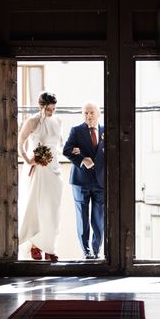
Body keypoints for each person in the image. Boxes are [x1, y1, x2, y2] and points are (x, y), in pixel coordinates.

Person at [18, 92, 63, 262]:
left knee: (52, 207)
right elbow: (20, 143)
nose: (51, 112)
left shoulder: (58, 121)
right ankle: (34, 244)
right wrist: (28, 159)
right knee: (35, 205)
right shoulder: (32, 121)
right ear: (41, 106)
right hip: (36, 169)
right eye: (48, 109)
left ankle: (49, 247)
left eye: (53, 109)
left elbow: (58, 145)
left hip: (53, 168)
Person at [63, 101, 105, 259]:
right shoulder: (76, 130)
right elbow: (66, 150)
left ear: (98, 113)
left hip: (100, 182)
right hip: (80, 181)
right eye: (85, 113)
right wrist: (82, 159)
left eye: (91, 112)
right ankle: (86, 250)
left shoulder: (105, 130)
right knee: (82, 217)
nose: (88, 116)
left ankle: (97, 250)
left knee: (98, 218)